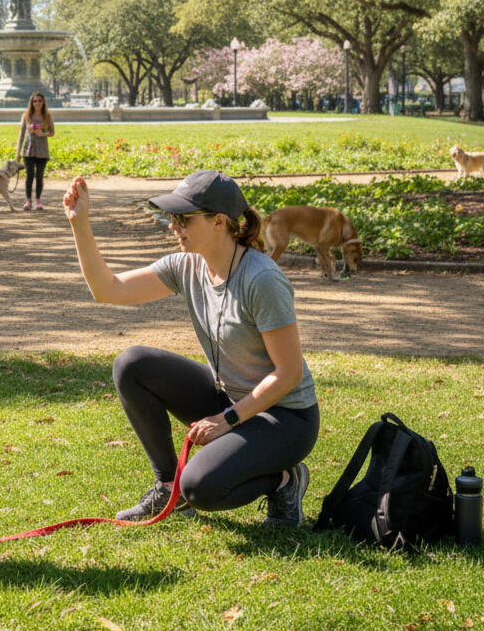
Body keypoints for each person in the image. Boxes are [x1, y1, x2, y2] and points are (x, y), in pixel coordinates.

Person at [62, 169, 319, 526]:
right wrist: (80, 224)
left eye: (183, 219)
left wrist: (226, 420)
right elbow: (109, 289)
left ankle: (285, 480)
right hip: (229, 397)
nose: (173, 227)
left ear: (218, 222)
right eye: (172, 218)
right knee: (132, 364)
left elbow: (288, 373)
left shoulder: (261, 280)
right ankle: (169, 486)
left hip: (285, 416)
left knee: (201, 487)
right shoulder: (187, 266)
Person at [16, 91, 55, 210]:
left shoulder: (47, 116)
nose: (37, 103)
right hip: (29, 149)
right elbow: (21, 134)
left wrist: (42, 133)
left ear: (43, 102)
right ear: (31, 103)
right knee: (29, 175)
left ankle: (38, 200)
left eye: (39, 101)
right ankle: (28, 201)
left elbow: (52, 133)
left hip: (42, 150)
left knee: (39, 176)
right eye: (35, 101)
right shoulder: (26, 116)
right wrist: (18, 151)